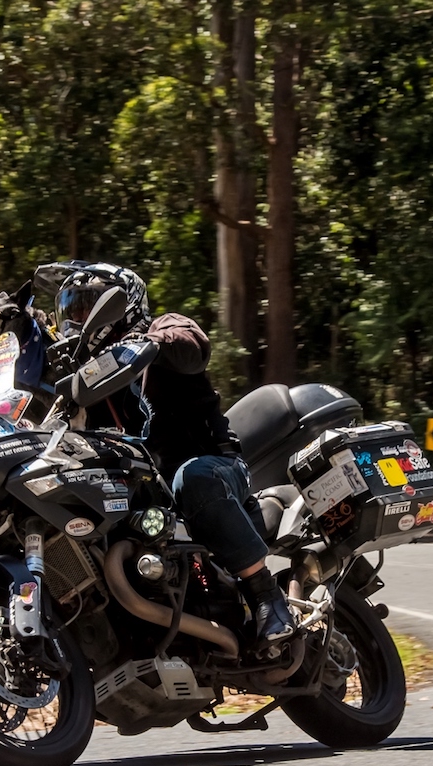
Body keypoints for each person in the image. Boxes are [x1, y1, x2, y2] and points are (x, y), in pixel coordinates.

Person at [41, 261, 295, 646]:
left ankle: (267, 596)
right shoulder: (88, 384)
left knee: (191, 477)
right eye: (71, 311)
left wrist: (152, 345)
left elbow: (194, 348)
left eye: (86, 308)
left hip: (214, 469)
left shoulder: (159, 330)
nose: (78, 320)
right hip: (149, 491)